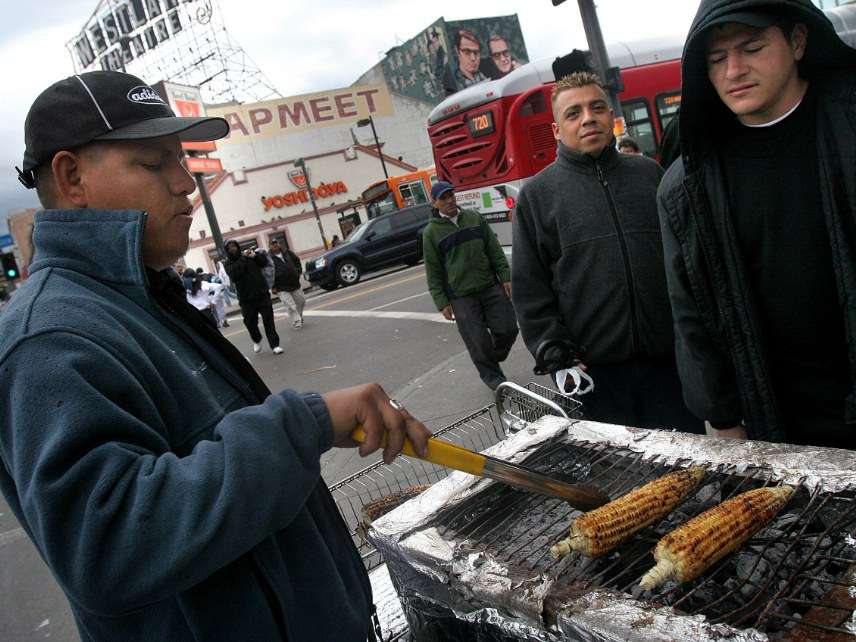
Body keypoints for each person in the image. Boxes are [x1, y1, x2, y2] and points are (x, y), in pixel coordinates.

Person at [2, 69, 431, 642]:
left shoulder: (144, 296)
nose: (185, 183)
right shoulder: (51, 338)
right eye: (154, 164)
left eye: (182, 160)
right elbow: (106, 543)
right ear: (71, 176)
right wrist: (304, 424)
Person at [657, 0, 856, 449]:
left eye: (751, 48)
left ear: (798, 41)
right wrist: (723, 415)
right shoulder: (686, 186)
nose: (733, 70)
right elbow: (689, 312)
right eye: (716, 59)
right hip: (779, 420)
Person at [512, 72, 702, 433]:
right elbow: (530, 289)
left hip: (671, 368)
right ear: (556, 130)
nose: (588, 118)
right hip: (596, 377)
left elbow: (685, 259)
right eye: (573, 113)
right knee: (621, 480)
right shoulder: (537, 196)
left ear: (610, 116)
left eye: (597, 107)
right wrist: (554, 354)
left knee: (689, 472)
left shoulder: (650, 175)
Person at [422, 180, 518, 391]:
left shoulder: (474, 217)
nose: (449, 200)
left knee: (508, 329)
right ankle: (495, 379)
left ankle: (490, 358)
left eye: (451, 195)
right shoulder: (431, 232)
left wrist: (504, 275)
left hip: (489, 285)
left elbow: (494, 249)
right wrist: (441, 301)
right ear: (434, 202)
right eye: (443, 198)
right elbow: (433, 270)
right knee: (477, 340)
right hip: (460, 296)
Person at [224, 240, 283, 354]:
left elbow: (263, 262)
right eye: (230, 247)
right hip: (246, 299)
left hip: (262, 294)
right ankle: (256, 339)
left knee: (268, 320)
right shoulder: (228, 263)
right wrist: (243, 258)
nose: (233, 248)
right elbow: (235, 274)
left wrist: (255, 255)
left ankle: (275, 344)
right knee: (250, 322)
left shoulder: (248, 255)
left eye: (234, 246)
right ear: (227, 250)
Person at [269, 239, 306, 329]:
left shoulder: (287, 252)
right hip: (280, 286)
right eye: (273, 244)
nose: (275, 245)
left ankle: (299, 316)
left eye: (276, 243)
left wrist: (298, 271)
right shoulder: (268, 257)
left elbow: (297, 261)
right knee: (290, 304)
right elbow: (268, 272)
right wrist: (273, 286)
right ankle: (296, 320)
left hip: (294, 282)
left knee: (301, 301)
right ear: (270, 246)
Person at [443, 28, 489, 95]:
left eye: (476, 52)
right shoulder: (452, 83)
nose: (473, 58)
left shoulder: (486, 75)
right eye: (467, 52)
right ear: (457, 51)